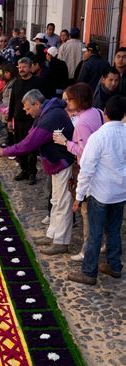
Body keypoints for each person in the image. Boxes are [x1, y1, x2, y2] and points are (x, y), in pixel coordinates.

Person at [0, 89, 75, 255]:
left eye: (28, 108)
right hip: (56, 162)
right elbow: (31, 135)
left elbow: (30, 143)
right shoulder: (46, 113)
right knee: (56, 201)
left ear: (37, 104)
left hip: (62, 161)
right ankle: (53, 235)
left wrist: (5, 151)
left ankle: (61, 241)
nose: (26, 112)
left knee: (63, 202)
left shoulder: (50, 117)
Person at [68, 96, 126, 285]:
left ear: (105, 114)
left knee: (95, 233)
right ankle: (114, 266)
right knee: (114, 230)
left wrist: (79, 196)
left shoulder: (98, 137)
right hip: (120, 192)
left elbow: (87, 169)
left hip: (100, 192)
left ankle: (89, 271)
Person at [52, 82, 104, 261]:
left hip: (88, 168)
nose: (67, 102)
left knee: (86, 210)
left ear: (80, 100)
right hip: (102, 166)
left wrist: (65, 143)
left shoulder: (81, 122)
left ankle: (87, 250)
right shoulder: (97, 112)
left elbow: (84, 150)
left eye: (71, 99)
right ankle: (100, 243)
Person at [6, 57, 43, 183]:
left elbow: (42, 101)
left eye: (24, 67)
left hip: (32, 120)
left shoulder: (37, 82)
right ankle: (24, 170)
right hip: (18, 119)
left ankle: (32, 172)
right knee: (19, 145)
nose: (21, 70)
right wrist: (9, 119)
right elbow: (12, 101)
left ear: (30, 67)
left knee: (31, 146)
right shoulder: (16, 83)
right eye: (19, 67)